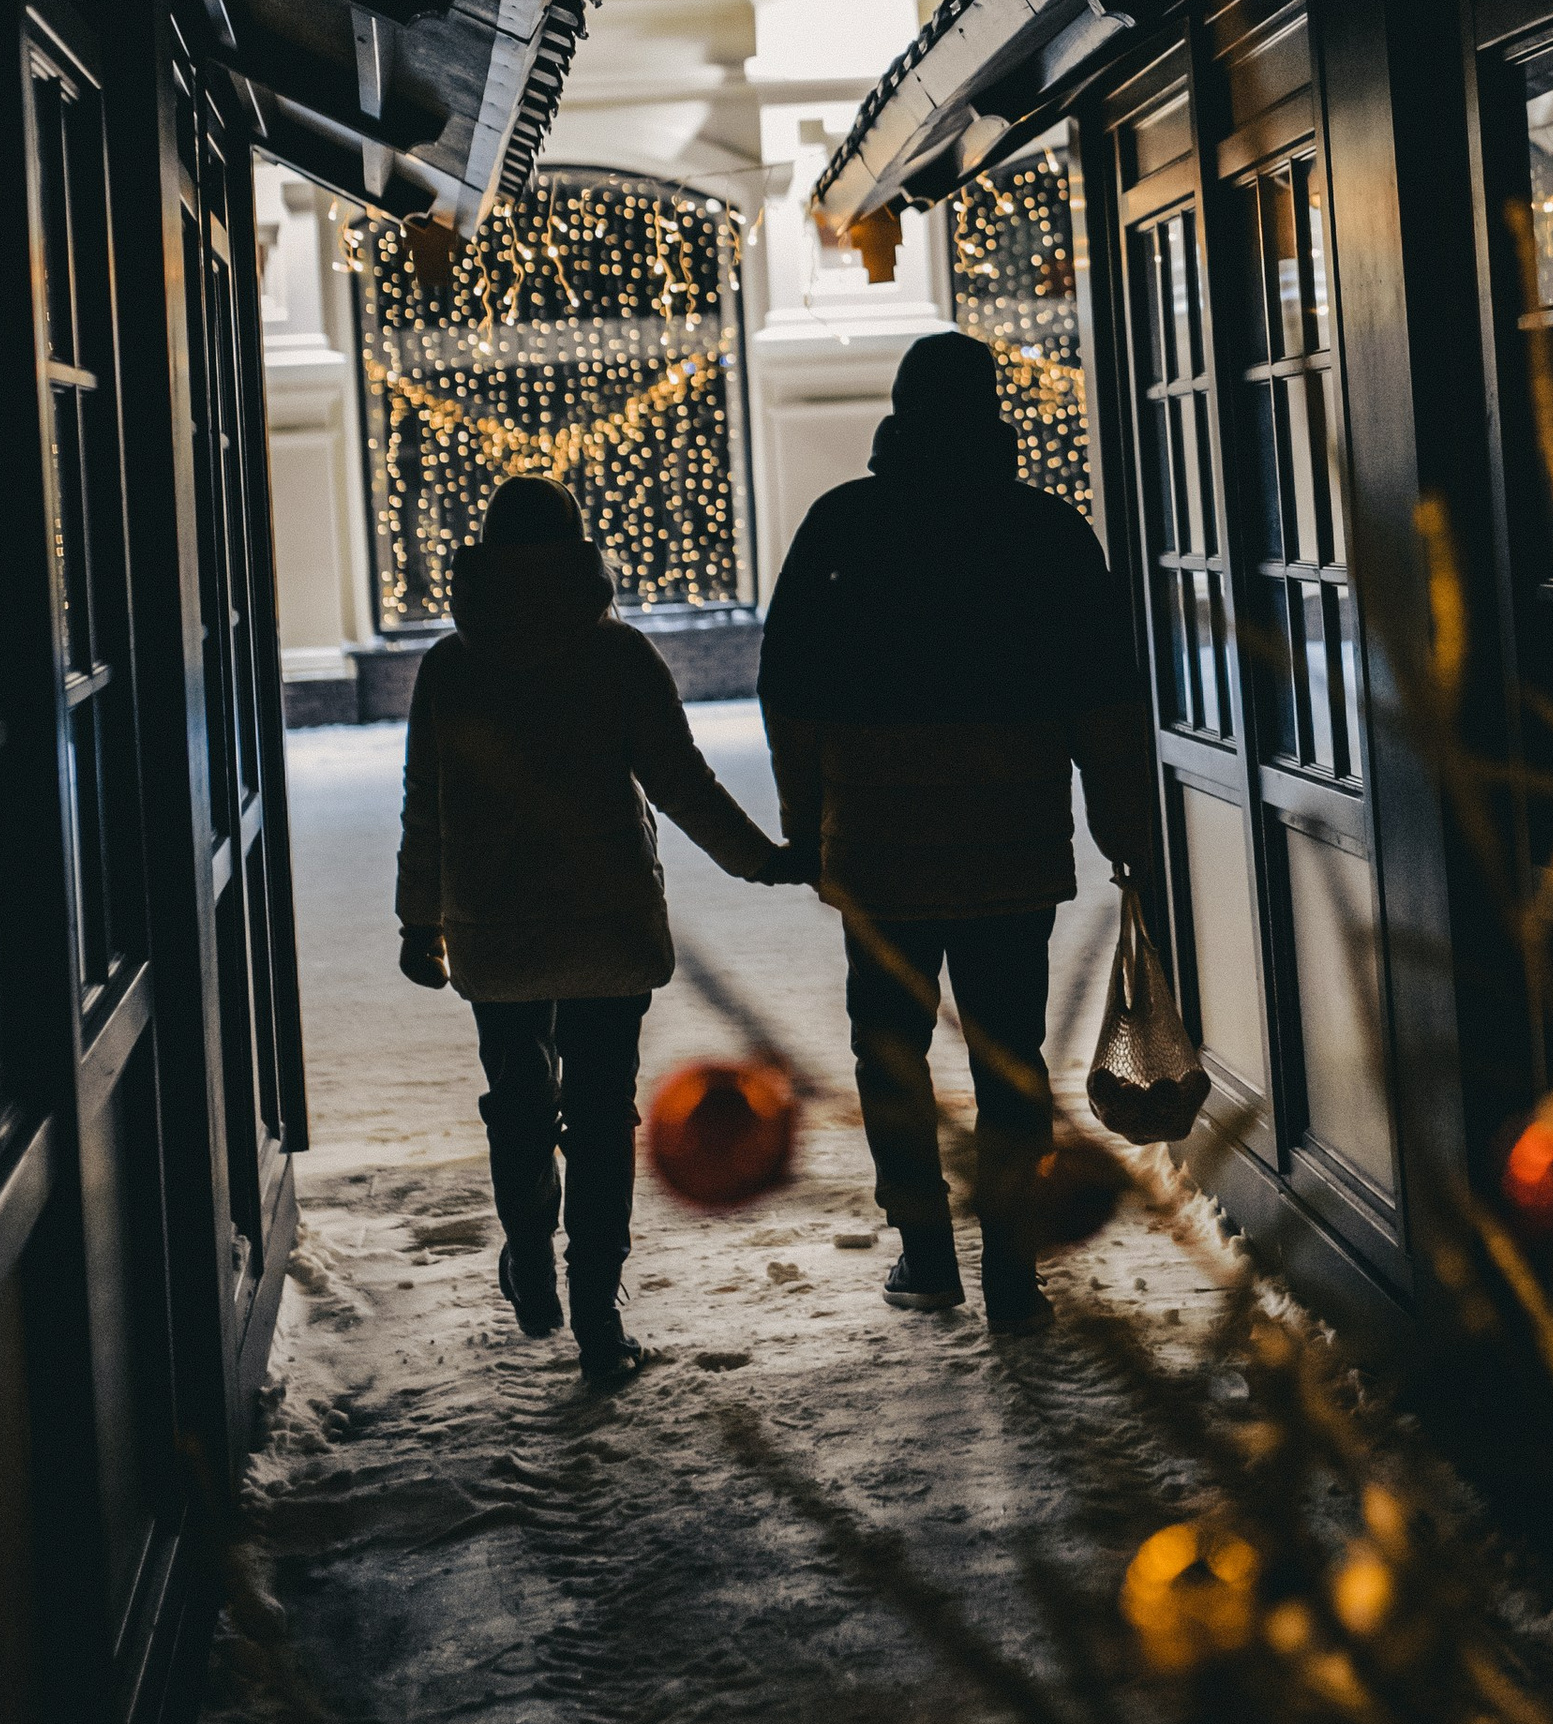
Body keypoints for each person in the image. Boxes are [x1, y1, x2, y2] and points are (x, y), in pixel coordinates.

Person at [759, 328, 1154, 1333]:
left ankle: (925, 1253)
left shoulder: (842, 526)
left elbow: (790, 692)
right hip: (1010, 845)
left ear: (898, 414)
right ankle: (1013, 1264)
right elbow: (1103, 697)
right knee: (1010, 1056)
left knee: (887, 1053)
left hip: (879, 849)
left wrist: (807, 829)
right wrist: (1120, 827)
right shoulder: (1045, 532)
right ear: (991, 414)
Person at [395, 475, 794, 1386]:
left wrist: (420, 921)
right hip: (604, 923)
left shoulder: (452, 666)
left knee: (519, 1098)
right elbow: (680, 781)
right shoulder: (618, 657)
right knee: (605, 1113)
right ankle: (596, 1309)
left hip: (494, 924)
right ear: (580, 554)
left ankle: (529, 1253)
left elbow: (429, 806)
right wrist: (757, 857)